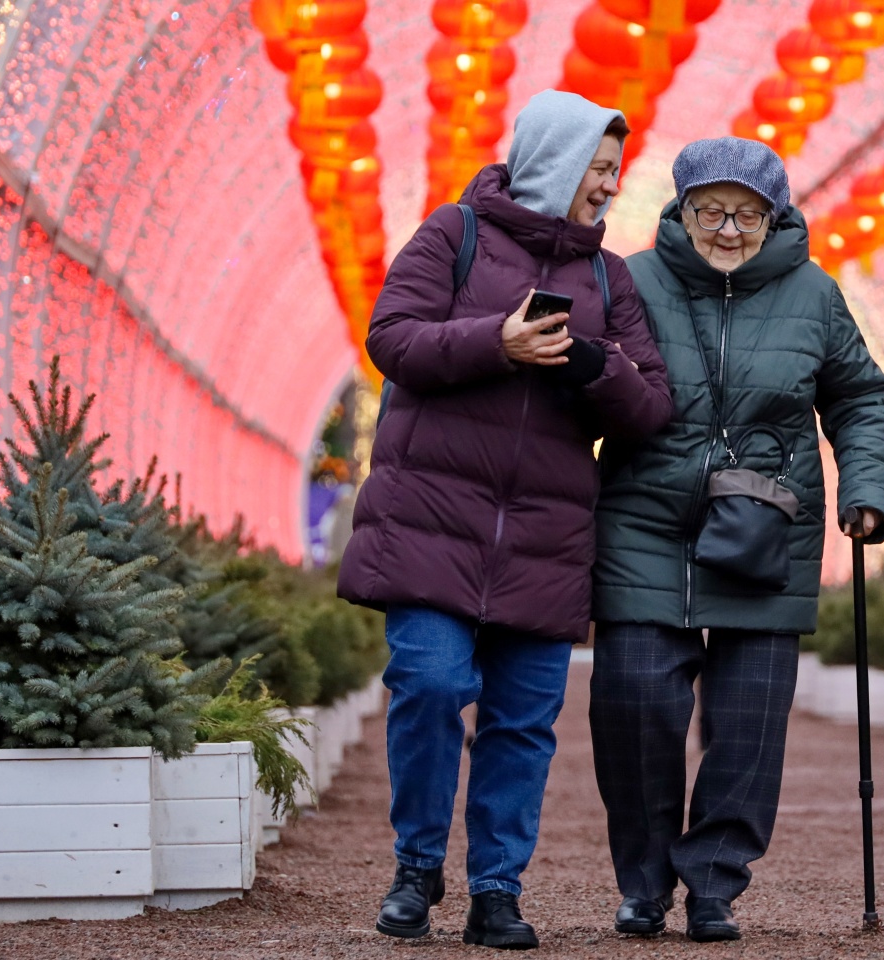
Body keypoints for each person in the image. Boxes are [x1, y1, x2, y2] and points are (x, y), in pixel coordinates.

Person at [338, 90, 673, 950]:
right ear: (555, 163)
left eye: (614, 170)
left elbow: (650, 407)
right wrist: (500, 341)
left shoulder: (611, 278)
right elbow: (393, 339)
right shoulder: (453, 235)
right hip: (430, 526)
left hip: (545, 541)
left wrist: (592, 367)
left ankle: (496, 889)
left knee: (524, 724)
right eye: (598, 169)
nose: (609, 185)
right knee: (432, 685)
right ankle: (417, 865)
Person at [588, 137, 884, 942]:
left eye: (746, 214)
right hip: (645, 519)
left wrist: (866, 493)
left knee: (749, 722)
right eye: (710, 212)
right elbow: (586, 383)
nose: (727, 230)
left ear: (776, 215)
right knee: (633, 705)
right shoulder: (629, 279)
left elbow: (861, 398)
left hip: (767, 526)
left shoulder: (816, 295)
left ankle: (714, 883)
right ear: (680, 211)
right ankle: (644, 884)